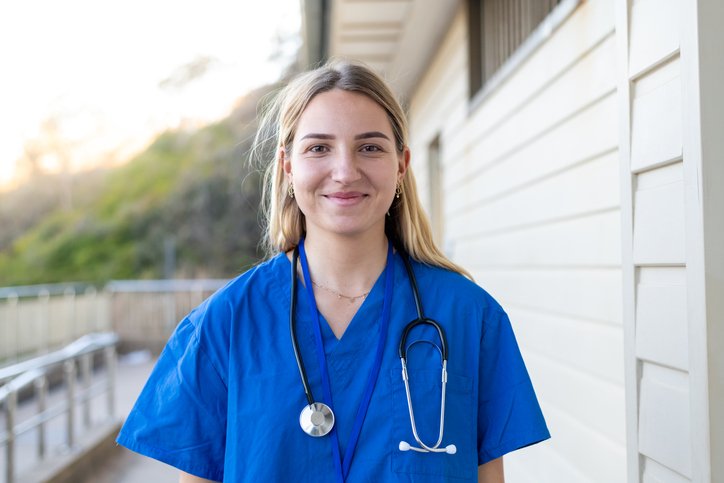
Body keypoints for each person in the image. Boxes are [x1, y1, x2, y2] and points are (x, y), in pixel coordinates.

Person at [116, 59, 550, 483]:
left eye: (370, 147)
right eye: (319, 148)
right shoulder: (223, 324)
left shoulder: (470, 317)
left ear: (401, 164)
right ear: (288, 167)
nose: (345, 171)